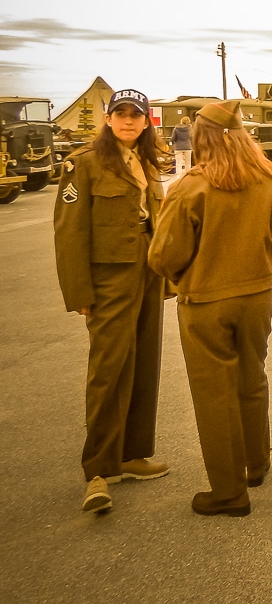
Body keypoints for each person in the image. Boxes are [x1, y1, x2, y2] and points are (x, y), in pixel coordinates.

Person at [148, 101, 272, 517]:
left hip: (205, 301)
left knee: (214, 393)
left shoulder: (190, 187)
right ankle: (256, 464)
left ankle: (229, 492)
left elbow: (163, 257)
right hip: (257, 296)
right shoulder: (271, 178)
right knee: (252, 377)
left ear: (200, 138)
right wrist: (254, 263)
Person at [53, 88, 169, 514]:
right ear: (108, 118)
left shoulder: (147, 162)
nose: (128, 122)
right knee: (107, 368)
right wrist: (79, 292)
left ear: (146, 121)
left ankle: (130, 454)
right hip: (108, 278)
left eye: (135, 116)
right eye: (120, 114)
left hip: (146, 271)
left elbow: (156, 221)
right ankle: (98, 469)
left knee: (143, 362)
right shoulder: (83, 164)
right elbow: (69, 232)